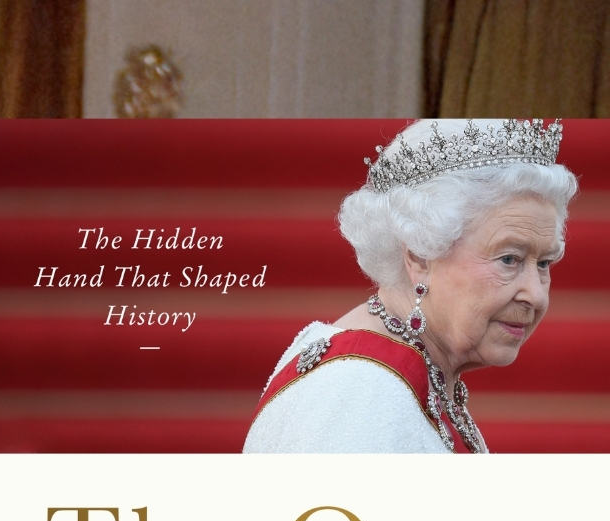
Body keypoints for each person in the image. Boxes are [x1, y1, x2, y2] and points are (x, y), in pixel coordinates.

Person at [245, 117, 577, 453]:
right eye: (509, 259)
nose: (535, 294)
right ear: (419, 255)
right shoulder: (360, 395)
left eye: (545, 263)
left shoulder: (403, 375)